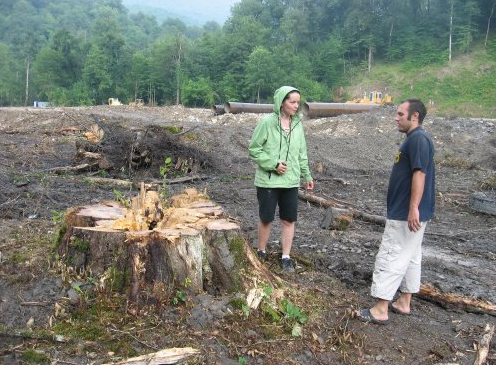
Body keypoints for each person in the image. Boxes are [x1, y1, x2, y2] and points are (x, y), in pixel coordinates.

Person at [355, 99, 435, 325]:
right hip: (412, 211)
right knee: (411, 255)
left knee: (392, 254)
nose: (396, 117)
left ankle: (380, 309)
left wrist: (412, 208)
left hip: (405, 213)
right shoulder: (416, 139)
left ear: (415, 116)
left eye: (400, 114)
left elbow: (420, 174)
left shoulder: (418, 139)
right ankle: (404, 301)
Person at [248, 86, 314, 272]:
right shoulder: (267, 123)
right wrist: (273, 164)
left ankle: (286, 256)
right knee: (266, 218)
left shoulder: (297, 124)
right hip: (268, 181)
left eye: (297, 102)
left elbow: (302, 153)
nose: (296, 106)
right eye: (292, 102)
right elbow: (254, 149)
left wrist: (306, 174)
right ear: (281, 102)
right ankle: (261, 251)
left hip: (291, 182)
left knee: (288, 220)